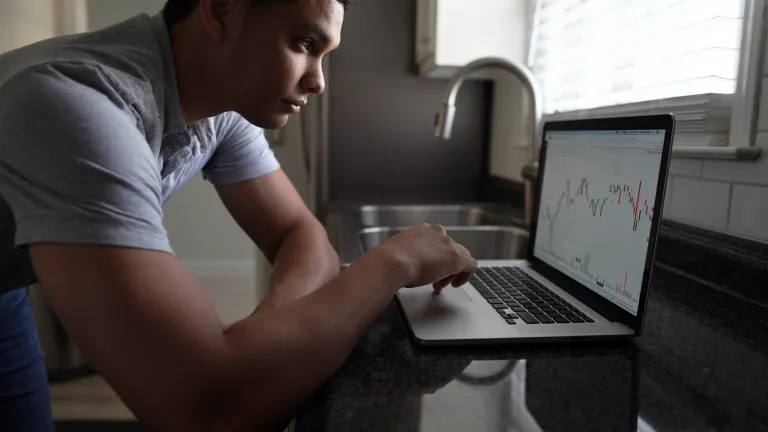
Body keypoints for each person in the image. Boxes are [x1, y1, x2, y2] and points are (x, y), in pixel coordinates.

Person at [0, 0, 477, 430]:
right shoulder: (74, 101)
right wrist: (393, 264)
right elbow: (203, 410)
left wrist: (268, 328)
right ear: (222, 10)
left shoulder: (220, 110)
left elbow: (300, 234)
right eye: (305, 43)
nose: (318, 81)